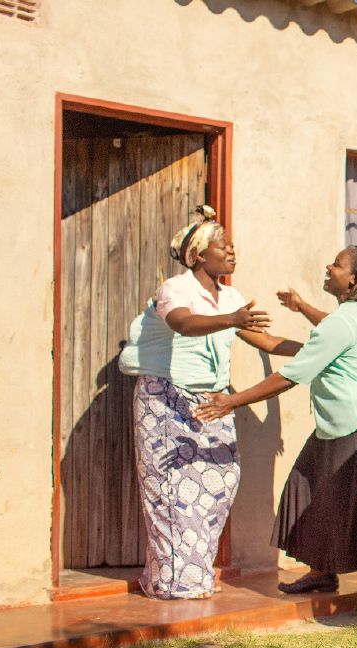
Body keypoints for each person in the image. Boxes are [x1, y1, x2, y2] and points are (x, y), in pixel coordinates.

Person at [194, 246, 357, 622]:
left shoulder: (343, 322)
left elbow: (290, 376)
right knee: (308, 489)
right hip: (343, 424)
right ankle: (322, 572)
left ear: (353, 279)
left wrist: (231, 401)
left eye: (337, 264)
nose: (329, 267)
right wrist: (296, 308)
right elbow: (327, 327)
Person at [118, 205, 276, 599]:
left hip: (211, 401)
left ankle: (188, 577)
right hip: (166, 400)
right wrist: (231, 320)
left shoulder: (230, 297)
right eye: (224, 246)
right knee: (172, 493)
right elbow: (183, 324)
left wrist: (319, 350)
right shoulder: (176, 289)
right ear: (200, 255)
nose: (232, 251)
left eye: (232, 246)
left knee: (221, 482)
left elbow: (268, 342)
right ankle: (175, 584)